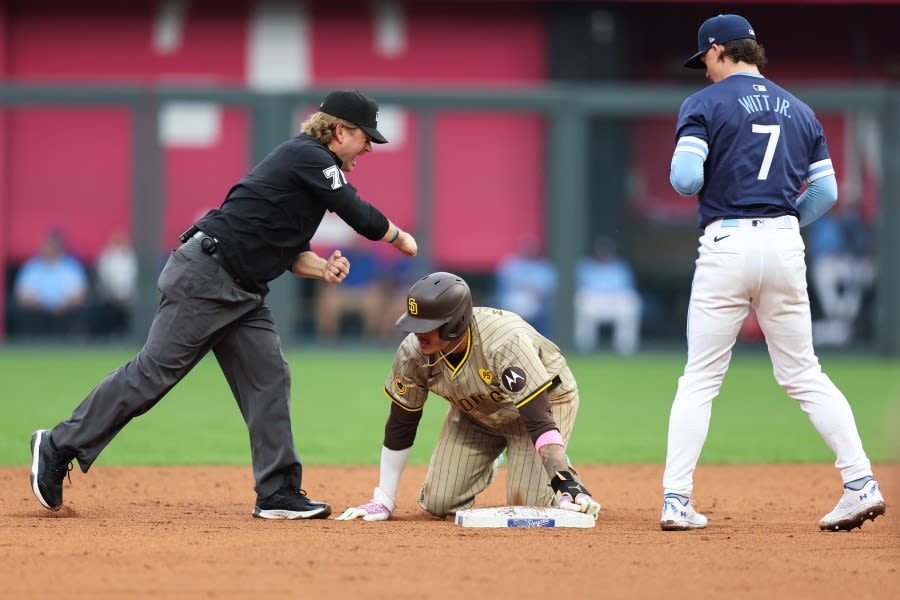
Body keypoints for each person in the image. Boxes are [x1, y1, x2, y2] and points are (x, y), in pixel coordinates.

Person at [29, 89, 418, 520]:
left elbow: (287, 251)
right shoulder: (309, 156)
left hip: (242, 291)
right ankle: (57, 444)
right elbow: (357, 211)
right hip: (207, 278)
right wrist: (398, 237)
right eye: (366, 137)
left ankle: (277, 492)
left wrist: (321, 269)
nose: (369, 147)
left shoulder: (308, 169)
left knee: (270, 376)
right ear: (340, 130)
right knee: (152, 375)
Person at [661, 14, 885, 532]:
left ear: (718, 50)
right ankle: (859, 482)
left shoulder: (704, 104)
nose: (705, 71)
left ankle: (677, 500)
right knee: (804, 374)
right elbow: (825, 193)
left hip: (726, 243)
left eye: (706, 61)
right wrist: (781, 219)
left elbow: (685, 177)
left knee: (700, 379)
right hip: (785, 244)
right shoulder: (802, 110)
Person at [335, 272, 601, 522]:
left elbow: (538, 418)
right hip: (478, 413)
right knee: (438, 503)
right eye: (413, 323)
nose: (417, 333)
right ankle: (494, 456)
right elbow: (402, 423)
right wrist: (383, 498)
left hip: (542, 406)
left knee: (530, 505)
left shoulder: (504, 341)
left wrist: (561, 479)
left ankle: (563, 471)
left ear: (454, 324)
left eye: (426, 326)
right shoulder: (413, 352)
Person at [11, 229, 88, 338]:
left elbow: (80, 294)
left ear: (60, 248)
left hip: (65, 311)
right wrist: (39, 305)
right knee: (23, 313)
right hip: (37, 311)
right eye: (47, 246)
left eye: (53, 247)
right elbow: (21, 294)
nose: (49, 250)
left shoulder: (71, 266)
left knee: (80, 311)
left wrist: (63, 306)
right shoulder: (31, 266)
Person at [573, 235, 642, 355]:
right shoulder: (586, 266)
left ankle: (625, 348)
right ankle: (585, 347)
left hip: (615, 300)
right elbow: (581, 287)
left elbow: (627, 289)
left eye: (606, 251)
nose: (603, 253)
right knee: (581, 298)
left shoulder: (620, 267)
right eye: (601, 250)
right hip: (593, 300)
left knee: (632, 301)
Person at [494, 234, 557, 336]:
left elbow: (547, 289)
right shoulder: (510, 263)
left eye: (532, 247)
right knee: (519, 301)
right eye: (526, 246)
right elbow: (507, 284)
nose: (529, 250)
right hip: (512, 298)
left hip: (538, 301)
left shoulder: (543, 265)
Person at [88, 228, 138, 337]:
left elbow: (137, 279)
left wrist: (126, 294)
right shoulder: (106, 257)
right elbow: (104, 279)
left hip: (131, 295)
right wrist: (117, 294)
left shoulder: (133, 257)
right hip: (111, 295)